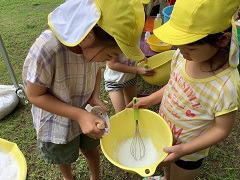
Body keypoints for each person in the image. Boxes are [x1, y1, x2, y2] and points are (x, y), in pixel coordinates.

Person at [22, 0, 148, 179]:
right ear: (89, 36)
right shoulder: (48, 48)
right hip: (57, 119)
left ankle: (95, 177)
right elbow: (35, 95)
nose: (109, 60)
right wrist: (80, 115)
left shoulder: (90, 46)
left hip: (86, 110)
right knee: (63, 155)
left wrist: (94, 96)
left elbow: (96, 69)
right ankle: (68, 177)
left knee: (91, 146)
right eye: (110, 55)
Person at [127, 0, 240, 179]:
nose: (181, 51)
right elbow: (173, 85)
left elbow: (222, 129)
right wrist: (149, 100)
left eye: (190, 47)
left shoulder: (225, 86)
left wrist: (184, 149)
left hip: (189, 151)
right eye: (179, 45)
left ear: (222, 39)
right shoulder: (182, 56)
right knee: (168, 168)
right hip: (167, 134)